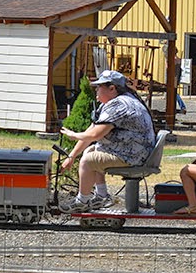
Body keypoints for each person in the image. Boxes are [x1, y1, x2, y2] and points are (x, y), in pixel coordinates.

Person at [59, 70, 155, 212]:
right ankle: (101, 196)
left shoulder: (119, 105)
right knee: (93, 150)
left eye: (99, 87)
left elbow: (95, 135)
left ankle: (82, 201)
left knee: (88, 161)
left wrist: (74, 135)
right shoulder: (115, 102)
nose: (96, 90)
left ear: (112, 88)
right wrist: (71, 156)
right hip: (135, 151)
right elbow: (91, 132)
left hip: (134, 155)